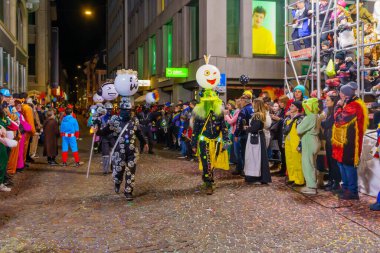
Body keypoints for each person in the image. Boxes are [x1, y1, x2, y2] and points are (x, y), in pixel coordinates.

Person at [95, 99, 148, 201]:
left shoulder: (134, 121)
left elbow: (139, 134)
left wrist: (144, 142)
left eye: (129, 110)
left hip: (132, 151)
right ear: (120, 110)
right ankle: (117, 183)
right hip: (119, 151)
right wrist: (97, 128)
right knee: (119, 171)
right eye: (124, 110)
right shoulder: (114, 121)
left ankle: (128, 191)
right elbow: (103, 132)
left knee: (131, 171)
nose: (127, 112)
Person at [332, 82, 368, 200]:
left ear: (344, 95)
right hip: (343, 141)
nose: (340, 95)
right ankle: (346, 188)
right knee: (341, 163)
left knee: (348, 164)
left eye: (341, 93)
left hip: (351, 141)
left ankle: (352, 191)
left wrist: (337, 107)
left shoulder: (354, 105)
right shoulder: (349, 103)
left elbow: (339, 120)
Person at [191, 88, 230, 195]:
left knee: (212, 163)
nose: (210, 102)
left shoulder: (219, 113)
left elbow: (224, 127)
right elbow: (196, 130)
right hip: (204, 142)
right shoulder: (200, 112)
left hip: (216, 143)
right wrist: (193, 144)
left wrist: (226, 140)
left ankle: (206, 177)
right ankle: (209, 183)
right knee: (206, 162)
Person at [244, 99, 272, 184]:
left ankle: (255, 178)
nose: (252, 104)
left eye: (253, 103)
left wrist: (247, 129)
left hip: (256, 138)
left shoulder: (257, 115)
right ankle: (261, 177)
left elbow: (255, 128)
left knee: (254, 157)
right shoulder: (261, 114)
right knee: (260, 157)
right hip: (259, 137)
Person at [297, 98, 321, 195]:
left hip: (309, 141)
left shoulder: (309, 117)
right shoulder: (317, 116)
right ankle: (312, 185)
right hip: (315, 140)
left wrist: (300, 124)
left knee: (307, 164)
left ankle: (311, 187)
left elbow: (299, 130)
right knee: (312, 164)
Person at [321, 94, 341, 191]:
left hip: (333, 140)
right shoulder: (329, 112)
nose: (326, 102)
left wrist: (321, 121)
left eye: (328, 100)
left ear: (333, 102)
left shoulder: (334, 112)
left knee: (333, 162)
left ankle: (335, 183)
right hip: (329, 139)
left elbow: (326, 124)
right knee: (329, 162)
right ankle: (331, 181)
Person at [284, 101, 304, 187]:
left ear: (298, 108)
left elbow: (301, 132)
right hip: (288, 141)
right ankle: (292, 178)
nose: (290, 107)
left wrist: (300, 144)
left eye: (292, 106)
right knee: (289, 160)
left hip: (296, 141)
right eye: (290, 106)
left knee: (297, 161)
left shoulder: (300, 118)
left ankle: (299, 180)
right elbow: (284, 130)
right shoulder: (288, 118)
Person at [233, 91, 254, 176]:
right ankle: (244, 169)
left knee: (242, 153)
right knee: (247, 152)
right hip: (251, 133)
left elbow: (239, 123)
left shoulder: (244, 110)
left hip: (243, 134)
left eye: (241, 100)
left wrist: (236, 134)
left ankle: (243, 170)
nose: (240, 101)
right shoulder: (253, 108)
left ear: (245, 101)